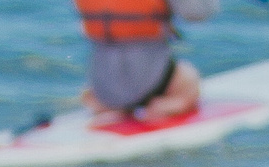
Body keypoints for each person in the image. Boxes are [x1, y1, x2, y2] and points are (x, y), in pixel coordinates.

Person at [77, 0, 215, 123]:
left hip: (103, 87)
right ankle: (171, 103)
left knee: (98, 81)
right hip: (153, 82)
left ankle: (107, 106)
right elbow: (197, 13)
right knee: (188, 76)